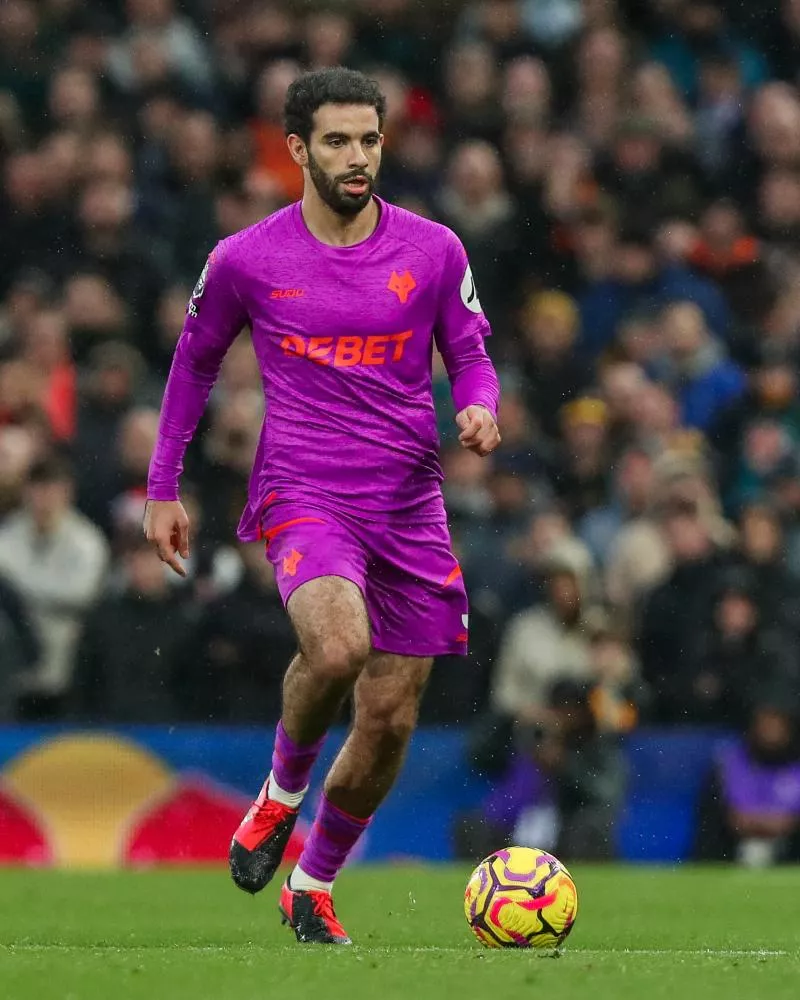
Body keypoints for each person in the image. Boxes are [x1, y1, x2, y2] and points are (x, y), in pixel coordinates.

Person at [143, 68, 501, 945]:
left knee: (389, 719)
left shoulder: (434, 249)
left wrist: (481, 403)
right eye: (338, 141)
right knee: (337, 648)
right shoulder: (246, 258)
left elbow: (472, 350)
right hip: (304, 488)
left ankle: (314, 884)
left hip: (411, 502)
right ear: (298, 149)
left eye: (370, 140)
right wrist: (161, 487)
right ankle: (279, 793)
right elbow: (192, 367)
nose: (357, 157)